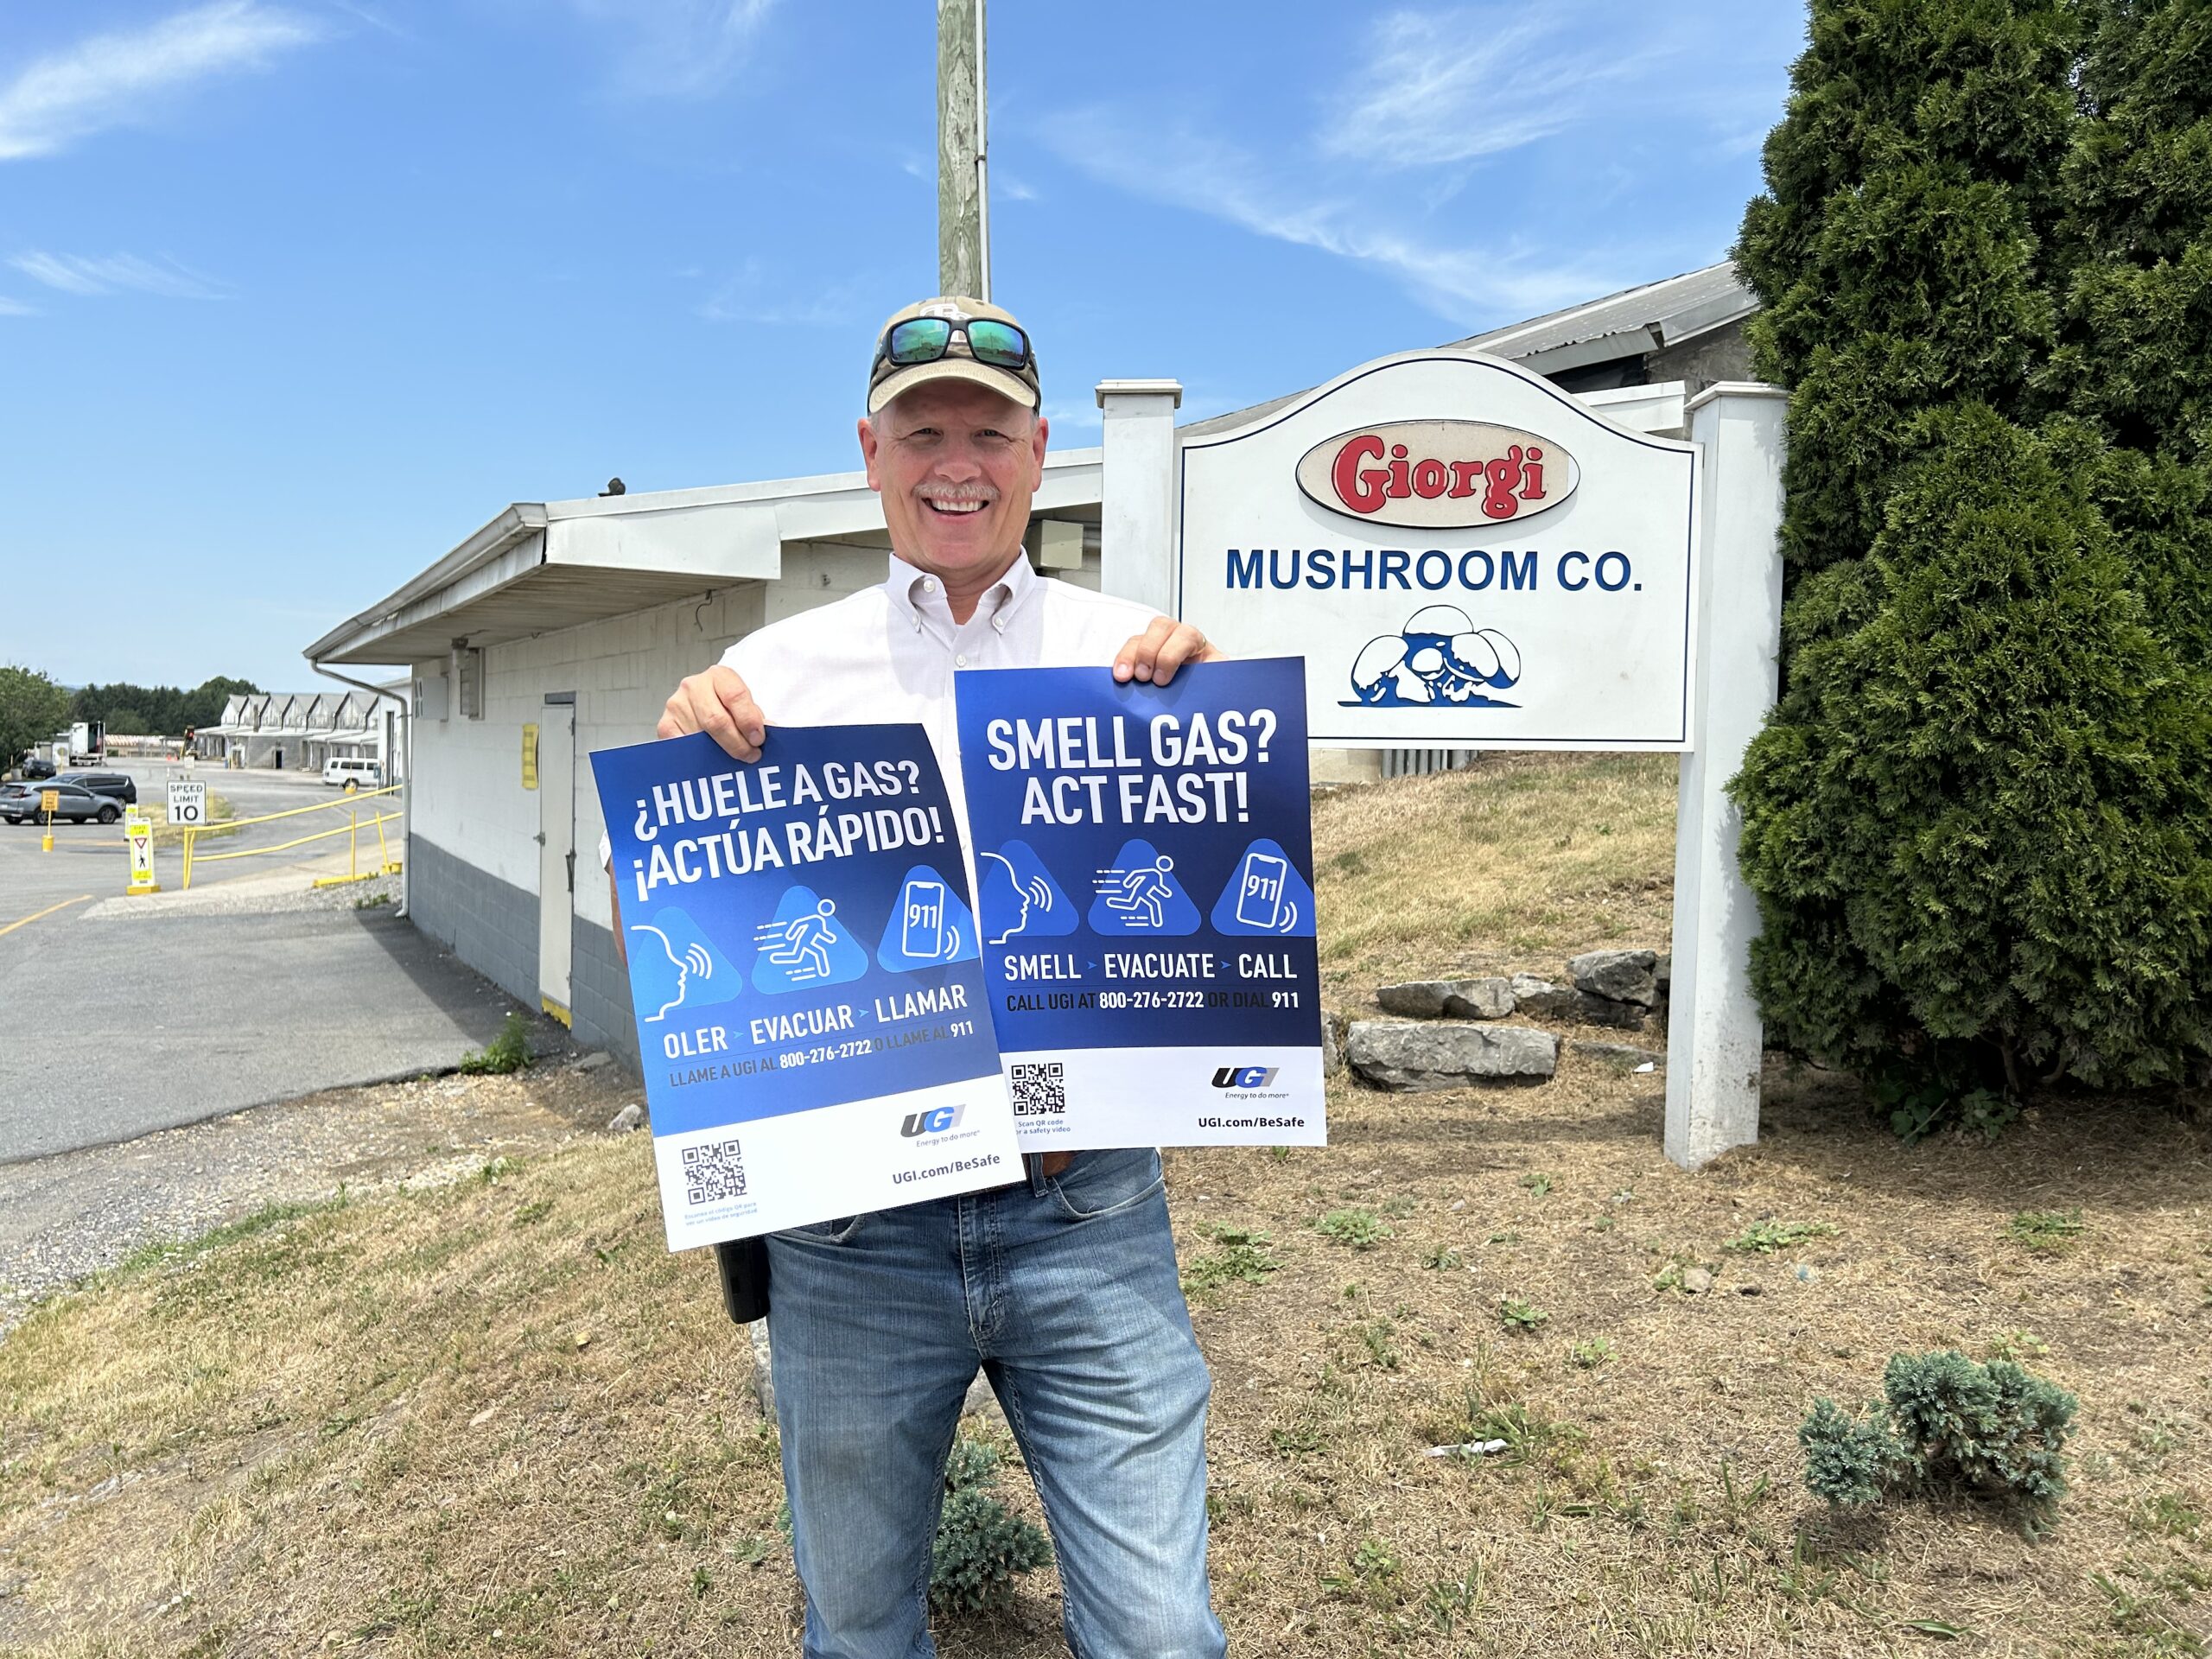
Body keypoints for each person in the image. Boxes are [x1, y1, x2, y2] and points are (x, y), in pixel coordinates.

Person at [626, 296, 1227, 1658]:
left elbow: (1227, 898)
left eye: (988, 431)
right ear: (871, 448)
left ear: (1038, 449)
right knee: (857, 1629)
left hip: (1087, 1209)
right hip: (851, 1241)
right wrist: (667, 794)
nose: (957, 458)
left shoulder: (1133, 656)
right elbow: (660, 948)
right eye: (923, 430)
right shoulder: (768, 677)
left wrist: (1218, 727)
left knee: (1161, 1632)